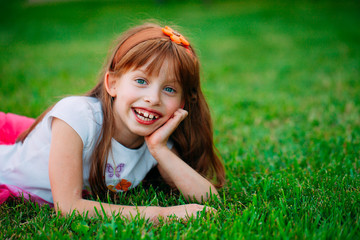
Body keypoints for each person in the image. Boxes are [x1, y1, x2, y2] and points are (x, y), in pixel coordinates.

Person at [0, 23, 225, 221]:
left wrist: (159, 149)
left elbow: (209, 199)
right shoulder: (77, 117)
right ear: (112, 83)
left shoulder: (156, 140)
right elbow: (68, 208)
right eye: (141, 80)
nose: (153, 98)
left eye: (169, 89)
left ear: (182, 103)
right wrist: (162, 215)